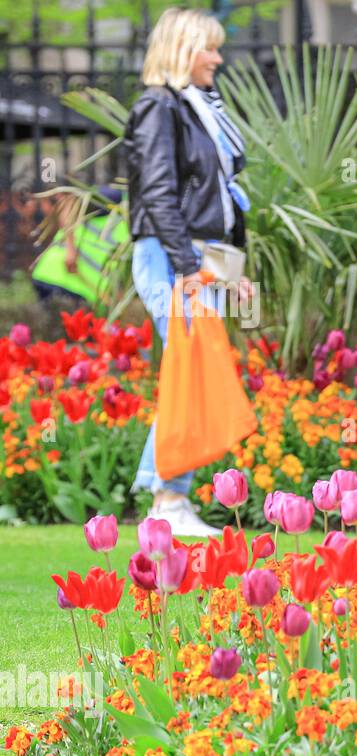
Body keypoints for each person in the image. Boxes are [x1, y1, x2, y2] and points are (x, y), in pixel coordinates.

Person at [123, 7, 254, 537]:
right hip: (172, 256)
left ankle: (168, 501)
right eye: (209, 49)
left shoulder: (196, 107)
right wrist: (188, 266)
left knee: (195, 369)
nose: (218, 59)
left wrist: (229, 268)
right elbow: (157, 193)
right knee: (190, 370)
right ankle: (168, 501)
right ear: (183, 50)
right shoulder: (159, 107)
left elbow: (217, 199)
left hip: (199, 255)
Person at [30, 186, 130, 310]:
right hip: (57, 277)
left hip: (82, 289)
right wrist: (70, 249)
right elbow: (68, 201)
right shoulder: (116, 201)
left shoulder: (132, 223)